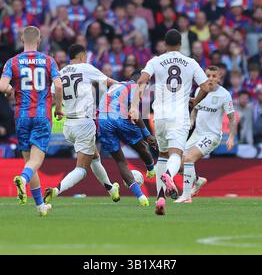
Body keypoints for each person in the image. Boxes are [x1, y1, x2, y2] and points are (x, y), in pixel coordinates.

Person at [129, 29, 209, 215]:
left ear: (165, 44)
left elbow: (142, 81)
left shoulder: (155, 61)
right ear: (180, 44)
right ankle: (170, 176)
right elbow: (205, 86)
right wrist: (195, 101)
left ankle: (160, 198)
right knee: (176, 154)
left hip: (160, 116)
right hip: (179, 115)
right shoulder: (190, 62)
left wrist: (134, 106)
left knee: (162, 157)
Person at [43, 44, 120, 205]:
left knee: (94, 156)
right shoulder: (86, 67)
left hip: (68, 124)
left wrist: (58, 109)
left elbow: (50, 95)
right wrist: (128, 87)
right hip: (84, 123)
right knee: (81, 169)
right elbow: (111, 83)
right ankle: (56, 190)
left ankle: (111, 190)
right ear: (82, 56)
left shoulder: (61, 73)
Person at [0, 26, 63, 217]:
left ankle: (40, 205)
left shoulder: (13, 61)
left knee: (29, 162)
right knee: (35, 162)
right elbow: (58, 86)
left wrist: (9, 90)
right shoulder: (48, 61)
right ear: (39, 40)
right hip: (42, 116)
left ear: (21, 39)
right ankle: (22, 179)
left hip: (22, 116)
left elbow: (2, 85)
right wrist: (58, 108)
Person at [176, 65, 236, 203]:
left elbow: (232, 118)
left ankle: (186, 196)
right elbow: (195, 109)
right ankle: (197, 181)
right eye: (208, 75)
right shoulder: (200, 89)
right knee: (179, 165)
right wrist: (192, 120)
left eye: (214, 76)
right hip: (197, 133)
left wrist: (231, 137)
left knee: (189, 159)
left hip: (212, 135)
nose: (210, 79)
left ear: (219, 78)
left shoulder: (224, 95)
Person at [98, 71, 157, 207]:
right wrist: (147, 133)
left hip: (102, 121)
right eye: (146, 84)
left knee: (120, 161)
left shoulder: (116, 86)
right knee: (142, 145)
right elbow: (134, 112)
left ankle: (141, 197)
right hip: (119, 118)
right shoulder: (134, 87)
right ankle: (151, 169)